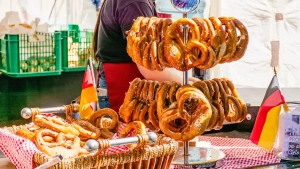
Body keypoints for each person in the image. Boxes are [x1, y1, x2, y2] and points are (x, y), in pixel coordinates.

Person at [93, 0, 199, 112]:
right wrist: (187, 84)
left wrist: (188, 80)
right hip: (124, 91)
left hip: (123, 87)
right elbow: (148, 69)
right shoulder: (135, 3)